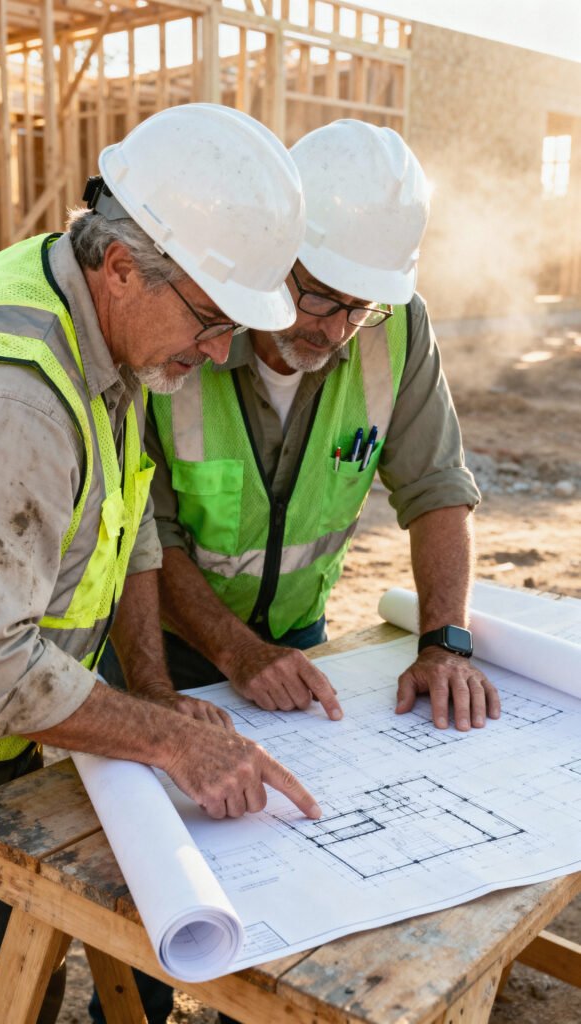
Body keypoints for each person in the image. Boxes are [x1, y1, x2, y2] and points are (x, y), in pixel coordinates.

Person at [0, 103, 322, 1024]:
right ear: (123, 265)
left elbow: (129, 525)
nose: (220, 354)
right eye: (212, 321)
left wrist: (149, 685)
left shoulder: (112, 341)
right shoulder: (20, 397)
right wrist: (172, 739)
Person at [140, 119, 501, 737]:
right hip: (167, 645)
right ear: (277, 250)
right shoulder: (184, 331)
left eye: (360, 307)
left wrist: (445, 643)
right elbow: (146, 534)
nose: (337, 332)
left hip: (301, 636)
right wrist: (236, 651)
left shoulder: (397, 329)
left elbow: (436, 486)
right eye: (322, 297)